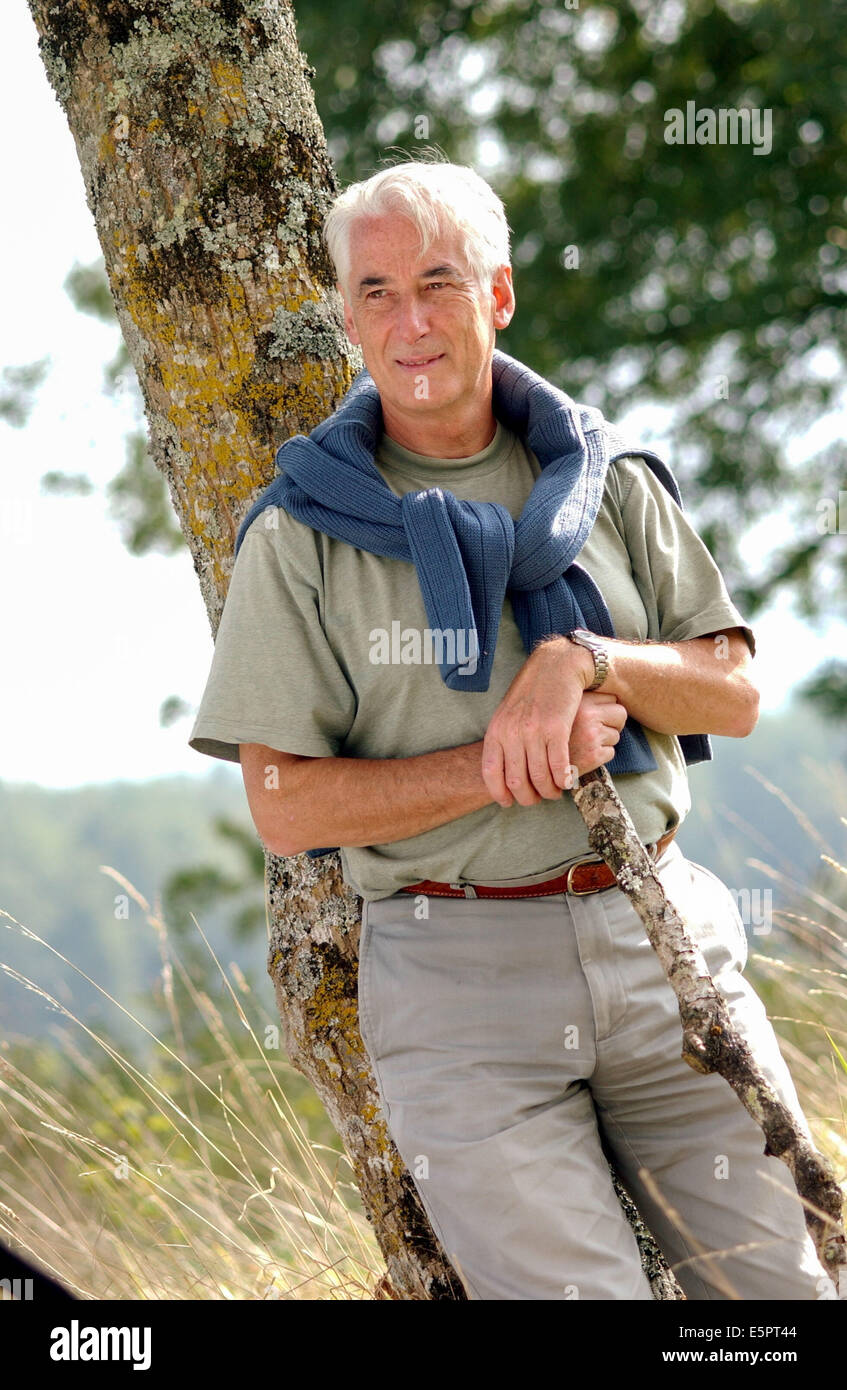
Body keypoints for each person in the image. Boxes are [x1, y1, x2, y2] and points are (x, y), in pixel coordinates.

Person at [188, 158, 827, 1301]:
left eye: (438, 282)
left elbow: (728, 688)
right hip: (457, 982)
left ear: (499, 297)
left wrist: (582, 659)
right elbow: (285, 804)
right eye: (376, 292)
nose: (409, 321)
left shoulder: (607, 477)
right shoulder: (299, 534)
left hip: (662, 941)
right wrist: (497, 767)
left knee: (776, 1302)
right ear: (346, 315)